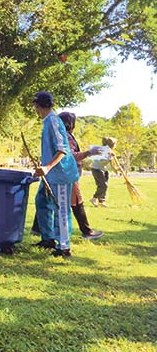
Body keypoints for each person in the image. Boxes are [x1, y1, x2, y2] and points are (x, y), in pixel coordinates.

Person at [31, 112, 104, 240]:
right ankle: (83, 232)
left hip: (55, 172)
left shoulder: (58, 133)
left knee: (45, 199)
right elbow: (68, 154)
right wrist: (88, 153)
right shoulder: (65, 136)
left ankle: (38, 229)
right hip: (65, 173)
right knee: (74, 202)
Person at [31, 92, 79, 257]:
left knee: (61, 209)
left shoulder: (53, 121)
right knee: (41, 202)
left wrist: (47, 167)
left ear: (37, 106)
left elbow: (62, 150)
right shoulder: (47, 121)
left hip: (60, 174)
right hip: (50, 174)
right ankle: (48, 238)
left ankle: (64, 247)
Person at [90, 137, 117, 207]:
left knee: (104, 186)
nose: (116, 145)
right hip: (97, 169)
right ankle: (94, 198)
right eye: (115, 144)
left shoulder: (110, 151)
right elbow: (103, 160)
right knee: (103, 185)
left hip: (104, 169)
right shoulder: (104, 150)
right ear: (112, 144)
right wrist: (110, 157)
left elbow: (112, 164)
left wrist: (116, 170)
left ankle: (101, 201)